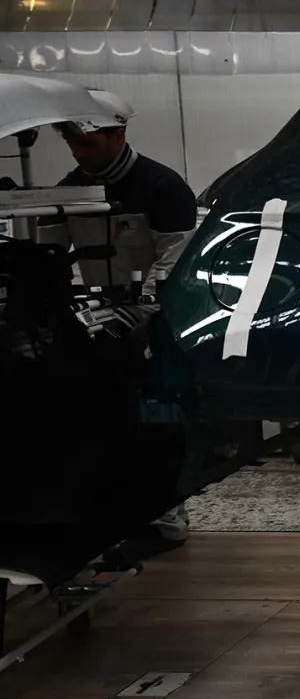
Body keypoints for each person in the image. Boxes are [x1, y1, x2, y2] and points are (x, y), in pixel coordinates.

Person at [45, 90, 199, 547]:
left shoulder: (163, 187)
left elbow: (174, 263)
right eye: (71, 143)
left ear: (119, 135)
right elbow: (55, 254)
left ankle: (167, 522)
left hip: (158, 317)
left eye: (87, 143)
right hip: (99, 316)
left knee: (157, 418)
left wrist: (137, 313)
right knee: (107, 420)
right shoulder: (72, 189)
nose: (77, 152)